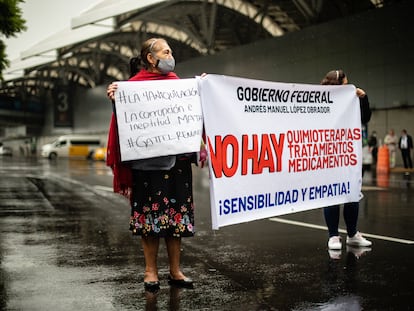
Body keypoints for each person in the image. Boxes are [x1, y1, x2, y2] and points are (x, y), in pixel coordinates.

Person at [106, 37, 206, 292]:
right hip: (146, 166)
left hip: (177, 165)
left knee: (176, 220)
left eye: (170, 52)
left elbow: (193, 114)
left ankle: (175, 270)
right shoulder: (132, 87)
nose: (170, 56)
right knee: (149, 221)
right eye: (166, 52)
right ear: (151, 58)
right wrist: (116, 100)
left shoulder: (176, 84)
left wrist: (204, 89)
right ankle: (150, 271)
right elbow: (125, 124)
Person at [320, 69, 372, 252]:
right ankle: (333, 235)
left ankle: (352, 234)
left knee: (352, 193)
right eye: (346, 83)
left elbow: (365, 118)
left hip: (348, 154)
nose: (350, 86)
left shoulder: (351, 101)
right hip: (329, 155)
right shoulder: (322, 101)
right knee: (332, 194)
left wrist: (363, 98)